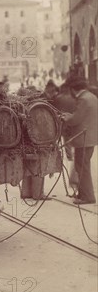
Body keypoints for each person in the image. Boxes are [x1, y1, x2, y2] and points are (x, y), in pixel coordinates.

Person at [62, 75, 98, 204]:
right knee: (82, 166)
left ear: (73, 89)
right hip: (89, 138)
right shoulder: (91, 97)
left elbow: (76, 119)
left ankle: (88, 197)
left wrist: (66, 118)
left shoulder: (82, 99)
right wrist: (72, 116)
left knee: (82, 167)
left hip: (83, 139)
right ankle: (82, 193)